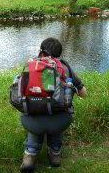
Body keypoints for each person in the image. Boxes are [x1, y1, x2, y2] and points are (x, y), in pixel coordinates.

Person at [20, 37, 86, 172]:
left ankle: (30, 155)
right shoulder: (65, 66)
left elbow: (18, 92)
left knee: (33, 111)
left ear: (41, 51)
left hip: (30, 122)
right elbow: (83, 93)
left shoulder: (30, 65)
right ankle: (55, 153)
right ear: (59, 53)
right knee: (60, 110)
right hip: (60, 122)